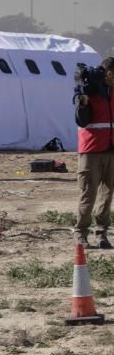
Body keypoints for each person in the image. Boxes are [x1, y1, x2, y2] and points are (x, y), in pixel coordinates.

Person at [74, 56, 114, 248]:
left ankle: (101, 234)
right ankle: (81, 233)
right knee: (88, 194)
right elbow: (81, 120)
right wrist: (84, 101)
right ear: (108, 73)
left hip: (111, 149)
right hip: (91, 149)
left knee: (107, 194)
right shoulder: (90, 90)